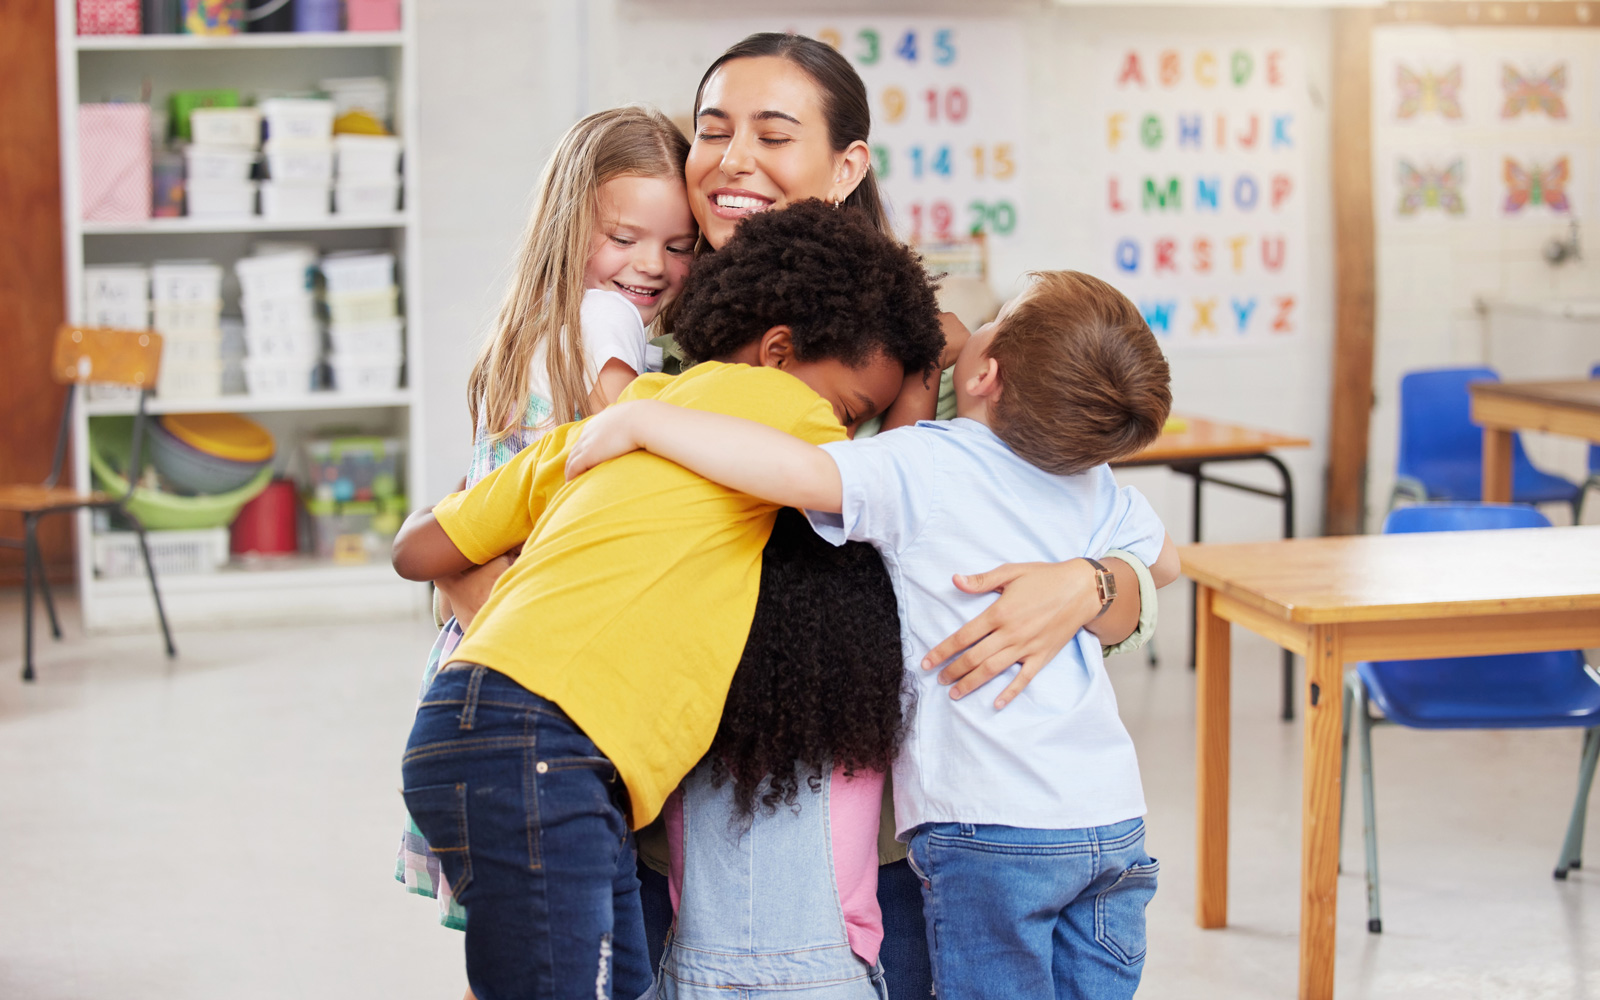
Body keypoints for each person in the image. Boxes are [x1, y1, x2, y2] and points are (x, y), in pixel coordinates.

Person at [656, 33, 1166, 999]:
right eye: (712, 132)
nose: (733, 161)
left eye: (774, 133)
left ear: (847, 166)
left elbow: (1132, 578)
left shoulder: (934, 348)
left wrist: (1089, 585)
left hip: (908, 820)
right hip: (679, 790)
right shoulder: (639, 320)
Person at [565, 269, 1183, 1000]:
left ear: (985, 373)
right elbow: (1165, 560)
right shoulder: (1095, 482)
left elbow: (796, 472)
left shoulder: (929, 463)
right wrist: (1086, 577)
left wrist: (643, 419)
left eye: (1000, 315)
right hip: (1110, 822)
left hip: (992, 828)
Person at [392, 200, 946, 1000]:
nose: (845, 431)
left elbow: (419, 550)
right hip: (543, 744)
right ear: (780, 353)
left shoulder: (606, 430)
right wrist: (921, 386)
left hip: (479, 723)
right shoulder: (784, 413)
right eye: (852, 411)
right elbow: (879, 489)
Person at [395, 104, 697, 940]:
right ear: (571, 227)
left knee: (519, 945)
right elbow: (637, 437)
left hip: (478, 658)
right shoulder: (608, 320)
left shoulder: (528, 331)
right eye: (626, 237)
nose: (650, 266)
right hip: (544, 671)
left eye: (678, 246)